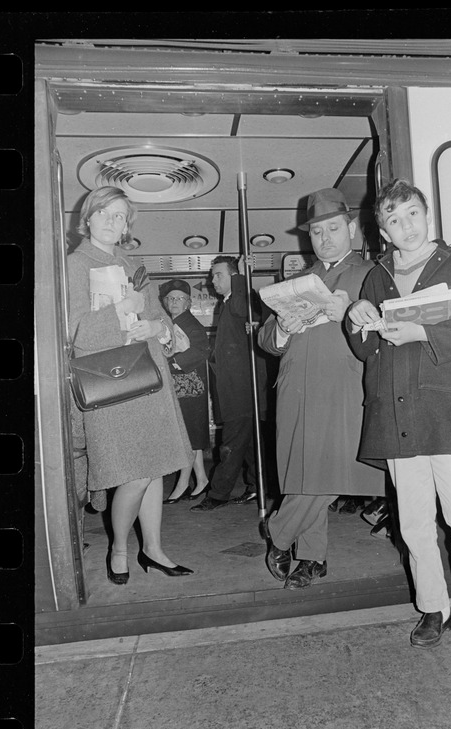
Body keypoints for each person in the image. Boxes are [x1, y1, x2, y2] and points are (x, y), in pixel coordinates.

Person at [346, 177, 451, 659]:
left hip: (448, 407)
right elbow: (364, 348)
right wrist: (356, 318)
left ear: (427, 215)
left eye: (412, 214)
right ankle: (433, 607)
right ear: (383, 230)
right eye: (394, 221)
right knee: (414, 521)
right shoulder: (376, 275)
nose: (406, 227)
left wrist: (421, 330)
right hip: (395, 409)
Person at [258, 187, 385, 589]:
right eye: (316, 232)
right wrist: (279, 328)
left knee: (329, 471)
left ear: (351, 228)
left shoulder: (372, 274)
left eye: (333, 228)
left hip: (344, 385)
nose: (325, 238)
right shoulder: (297, 281)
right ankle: (312, 559)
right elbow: (264, 340)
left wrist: (350, 312)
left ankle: (278, 533)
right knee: (303, 473)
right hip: (295, 386)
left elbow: (387, 331)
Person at [67, 186, 194, 583]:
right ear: (87, 218)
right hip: (111, 386)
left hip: (148, 379)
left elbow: (160, 320)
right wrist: (121, 310)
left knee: (155, 470)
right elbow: (75, 333)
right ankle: (119, 549)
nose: (111, 220)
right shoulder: (74, 265)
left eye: (120, 216)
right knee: (135, 473)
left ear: (126, 227)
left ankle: (153, 550)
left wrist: (158, 326)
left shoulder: (133, 264)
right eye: (104, 212)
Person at [190, 256, 267, 511]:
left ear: (233, 276)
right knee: (247, 445)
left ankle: (218, 494)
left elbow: (242, 311)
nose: (213, 281)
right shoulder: (226, 303)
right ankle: (257, 487)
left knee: (231, 445)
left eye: (219, 275)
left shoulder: (242, 298)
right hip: (234, 388)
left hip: (242, 391)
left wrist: (241, 276)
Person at [159, 279, 212, 503]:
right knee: (192, 435)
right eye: (171, 299)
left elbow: (202, 349)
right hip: (185, 386)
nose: (174, 302)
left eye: (179, 299)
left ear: (188, 303)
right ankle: (201, 479)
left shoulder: (189, 322)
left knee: (187, 436)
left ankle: (182, 483)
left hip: (189, 387)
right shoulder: (172, 321)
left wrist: (173, 363)